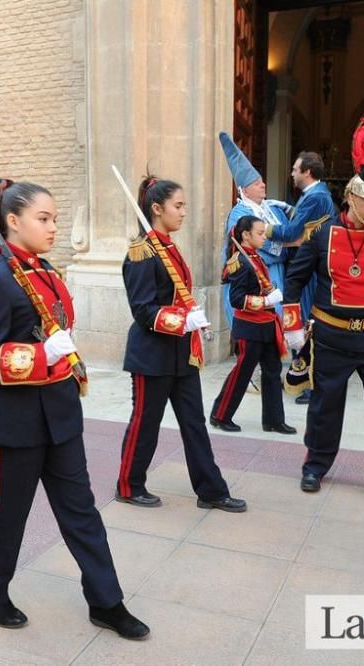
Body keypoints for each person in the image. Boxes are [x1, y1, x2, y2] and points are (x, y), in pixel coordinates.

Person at [0, 178, 148, 639]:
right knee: (7, 515)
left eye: (54, 219)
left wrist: (60, 355)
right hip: (13, 420)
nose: (52, 227)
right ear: (12, 221)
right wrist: (39, 355)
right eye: (42, 219)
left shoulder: (48, 273)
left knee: (81, 512)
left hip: (61, 414)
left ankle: (107, 601)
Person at [281, 121, 364, 500]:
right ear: (352, 199)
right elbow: (294, 280)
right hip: (331, 338)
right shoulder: (321, 234)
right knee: (325, 408)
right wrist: (292, 325)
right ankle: (314, 467)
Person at [116, 174, 246, 513]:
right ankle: (129, 485)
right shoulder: (142, 252)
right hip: (152, 355)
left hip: (181, 355)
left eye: (184, 205)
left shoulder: (169, 247)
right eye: (178, 205)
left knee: (194, 423)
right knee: (146, 422)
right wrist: (180, 321)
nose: (184, 211)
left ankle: (211, 491)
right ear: (157, 208)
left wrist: (191, 316)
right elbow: (143, 309)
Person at [210, 215, 294, 435]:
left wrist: (270, 294)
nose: (264, 237)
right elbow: (236, 299)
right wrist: (267, 301)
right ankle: (220, 415)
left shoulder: (255, 258)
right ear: (245, 235)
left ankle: (274, 420)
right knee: (243, 372)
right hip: (249, 326)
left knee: (273, 372)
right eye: (259, 233)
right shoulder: (240, 261)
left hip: (266, 325)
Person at [218, 132, 297, 327]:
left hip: (277, 276)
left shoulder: (274, 209)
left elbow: (288, 233)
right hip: (253, 278)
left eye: (261, 181)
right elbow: (250, 248)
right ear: (245, 190)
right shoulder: (239, 213)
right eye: (256, 183)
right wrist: (284, 249)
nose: (263, 185)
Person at [287, 151, 340, 405]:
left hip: (309, 267)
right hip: (313, 265)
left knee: (308, 322)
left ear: (307, 172)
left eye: (296, 169)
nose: (292, 173)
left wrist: (262, 227)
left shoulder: (314, 196)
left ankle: (310, 381)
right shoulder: (317, 195)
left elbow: (294, 231)